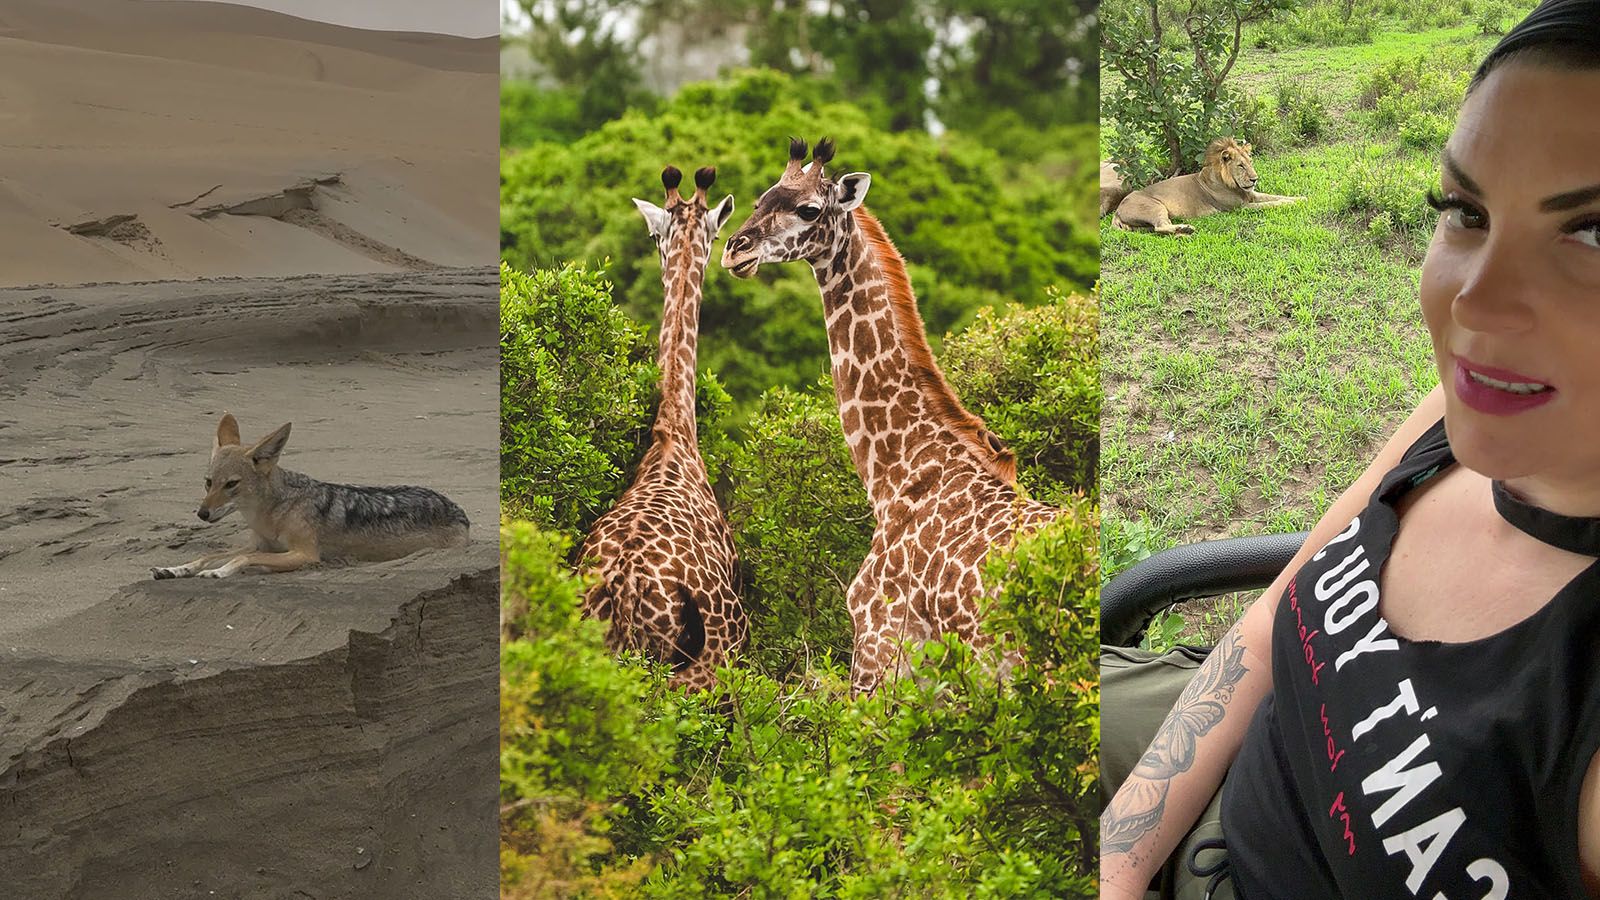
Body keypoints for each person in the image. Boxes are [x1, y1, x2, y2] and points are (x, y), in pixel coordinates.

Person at [1100, 2, 1600, 897]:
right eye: (1464, 210)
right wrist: (1118, 857)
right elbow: (1272, 617)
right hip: (1204, 764)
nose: (1473, 310)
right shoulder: (1460, 411)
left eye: (1593, 233)